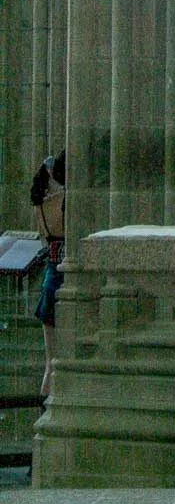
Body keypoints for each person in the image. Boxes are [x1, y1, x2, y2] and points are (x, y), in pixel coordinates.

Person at [31, 148, 66, 400]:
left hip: (49, 272)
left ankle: (45, 399)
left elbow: (44, 238)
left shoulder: (40, 204)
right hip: (62, 271)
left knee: (49, 358)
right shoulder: (62, 199)